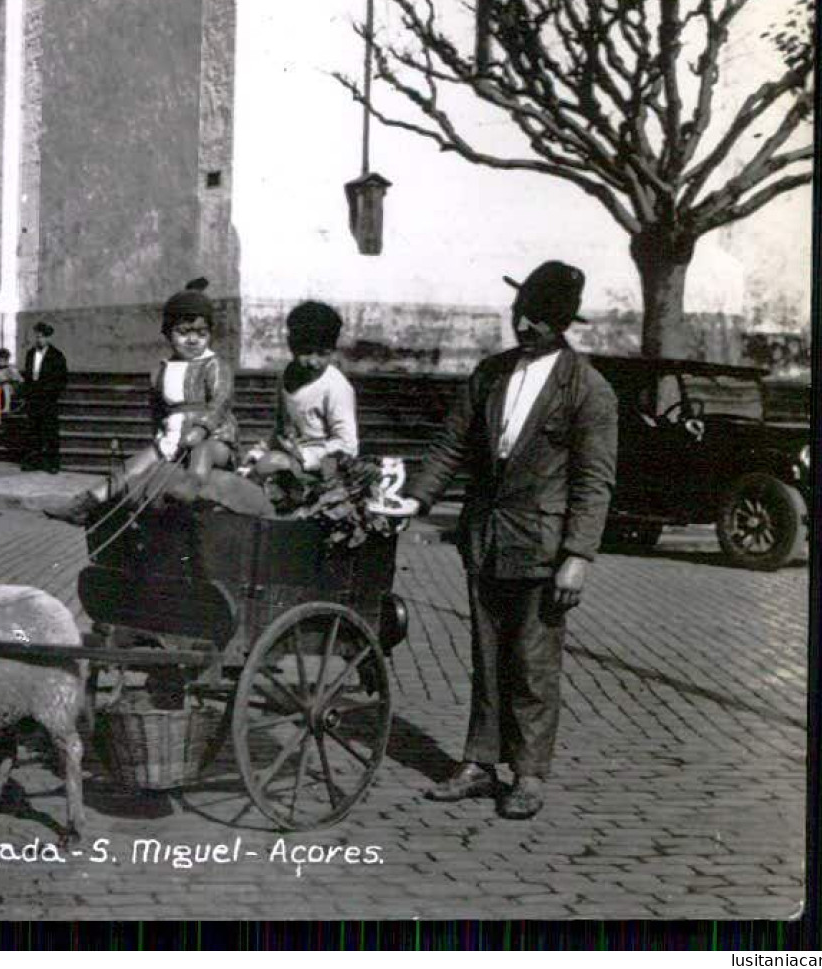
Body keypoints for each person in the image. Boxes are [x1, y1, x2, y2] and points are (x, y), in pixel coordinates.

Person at [402, 260, 617, 821]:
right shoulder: (491, 374)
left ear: (561, 325)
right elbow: (452, 445)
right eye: (519, 315)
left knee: (533, 663)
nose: (523, 328)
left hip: (544, 547)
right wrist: (415, 500)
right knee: (487, 657)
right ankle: (478, 764)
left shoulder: (587, 388)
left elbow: (595, 480)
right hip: (488, 539)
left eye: (538, 322)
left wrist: (578, 556)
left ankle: (529, 774)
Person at [46, 279, 237, 525]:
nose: (193, 340)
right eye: (183, 332)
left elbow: (220, 402)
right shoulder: (163, 369)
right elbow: (157, 410)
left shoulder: (214, 365)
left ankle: (189, 490)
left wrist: (201, 429)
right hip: (172, 439)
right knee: (132, 467)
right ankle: (84, 504)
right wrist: (159, 440)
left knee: (202, 452)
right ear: (168, 334)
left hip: (214, 439)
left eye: (201, 333)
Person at [243, 300, 359, 482]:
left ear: (333, 351)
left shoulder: (335, 386)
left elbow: (348, 446)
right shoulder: (288, 376)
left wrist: (306, 457)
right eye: (306, 352)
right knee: (254, 465)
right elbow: (282, 429)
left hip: (322, 466)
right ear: (291, 345)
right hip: (289, 456)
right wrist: (260, 451)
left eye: (322, 354)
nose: (313, 362)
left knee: (270, 465)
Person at [20, 322, 68, 472]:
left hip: (48, 399)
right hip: (33, 398)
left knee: (50, 432)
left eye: (41, 337)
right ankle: (33, 462)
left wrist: (51, 394)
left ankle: (53, 464)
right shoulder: (30, 354)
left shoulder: (57, 355)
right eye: (37, 337)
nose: (38, 340)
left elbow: (63, 379)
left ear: (48, 338)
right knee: (33, 431)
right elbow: (28, 376)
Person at [0, 348, 23, 427]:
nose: (2, 361)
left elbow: (20, 380)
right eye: (0, 359)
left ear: (7, 359)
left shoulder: (11, 368)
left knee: (6, 386)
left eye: (4, 359)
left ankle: (6, 407)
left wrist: (12, 377)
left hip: (10, 389)